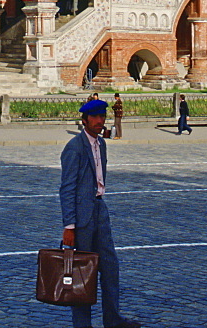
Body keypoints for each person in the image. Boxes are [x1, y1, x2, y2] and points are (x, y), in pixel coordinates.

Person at [59, 99, 141, 328]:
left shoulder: (101, 144)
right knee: (83, 270)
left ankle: (112, 319)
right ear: (84, 121)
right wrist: (70, 225)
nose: (99, 121)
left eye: (102, 117)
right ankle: (82, 324)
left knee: (110, 265)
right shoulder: (74, 147)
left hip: (99, 209)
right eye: (94, 117)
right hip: (82, 217)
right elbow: (67, 188)